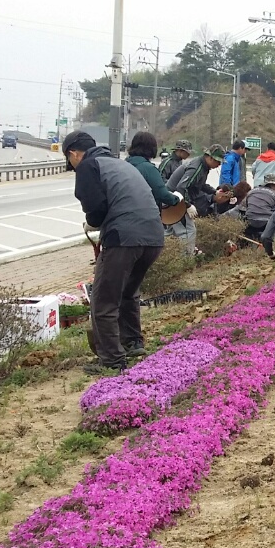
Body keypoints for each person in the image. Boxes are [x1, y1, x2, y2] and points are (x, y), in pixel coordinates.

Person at [66, 131, 167, 375]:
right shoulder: (117, 163)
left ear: (73, 154)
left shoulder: (88, 166)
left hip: (124, 237)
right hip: (154, 236)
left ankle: (111, 359)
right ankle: (133, 343)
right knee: (128, 292)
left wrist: (92, 222)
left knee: (103, 300)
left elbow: (96, 210)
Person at [124, 131, 185, 212]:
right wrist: (177, 198)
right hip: (143, 216)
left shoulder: (125, 164)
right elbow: (162, 194)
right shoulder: (148, 169)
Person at [167, 144, 224, 217]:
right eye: (218, 161)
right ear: (210, 158)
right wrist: (188, 205)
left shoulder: (204, 167)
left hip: (180, 199)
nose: (219, 164)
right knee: (188, 228)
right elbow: (181, 187)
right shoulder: (196, 168)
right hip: (174, 200)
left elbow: (201, 185)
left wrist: (215, 192)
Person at [243, 176, 275, 243]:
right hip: (266, 222)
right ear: (273, 185)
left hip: (250, 221)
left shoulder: (251, 192)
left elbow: (244, 207)